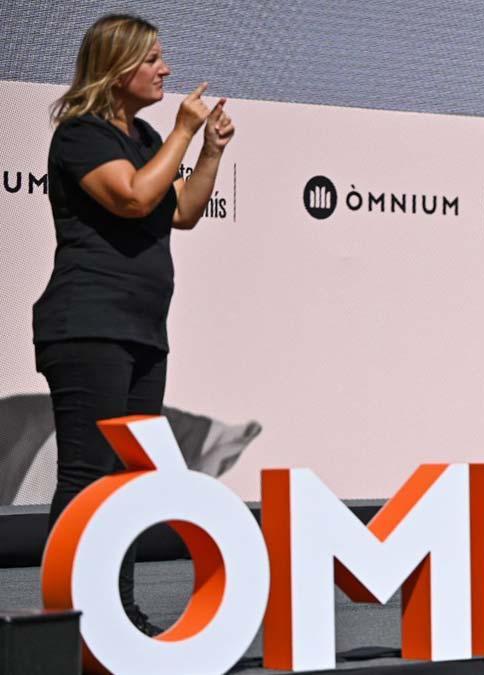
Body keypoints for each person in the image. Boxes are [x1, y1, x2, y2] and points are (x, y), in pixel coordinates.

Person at [33, 14, 235, 635]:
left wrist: (209, 151)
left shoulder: (148, 139)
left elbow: (184, 213)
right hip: (87, 326)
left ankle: (117, 611)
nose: (166, 70)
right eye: (152, 60)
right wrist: (180, 132)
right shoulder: (80, 136)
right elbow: (132, 199)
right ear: (118, 69)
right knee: (88, 477)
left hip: (144, 332)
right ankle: (68, 618)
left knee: (128, 484)